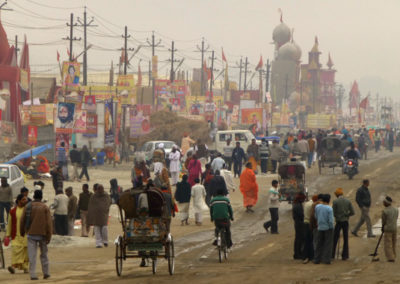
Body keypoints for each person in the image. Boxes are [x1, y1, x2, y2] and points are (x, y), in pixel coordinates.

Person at [20, 190, 52, 280]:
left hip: (31, 234)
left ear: (33, 196)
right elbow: (49, 223)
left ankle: (33, 275)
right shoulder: (45, 207)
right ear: (41, 197)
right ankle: (46, 273)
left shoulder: (28, 206)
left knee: (32, 255)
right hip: (43, 234)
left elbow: (22, 220)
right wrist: (49, 235)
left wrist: (22, 231)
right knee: (44, 254)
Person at [5, 194, 29, 274]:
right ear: (18, 201)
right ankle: (13, 266)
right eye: (24, 200)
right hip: (16, 235)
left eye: (26, 199)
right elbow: (9, 224)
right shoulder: (12, 211)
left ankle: (25, 267)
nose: (26, 201)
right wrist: (7, 236)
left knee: (26, 252)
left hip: (26, 236)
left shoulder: (28, 210)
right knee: (16, 250)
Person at [332, 188, 355, 260]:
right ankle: (345, 255)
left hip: (338, 222)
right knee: (345, 238)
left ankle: (332, 254)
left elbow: (333, 212)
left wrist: (337, 216)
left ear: (337, 195)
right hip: (345, 222)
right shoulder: (347, 201)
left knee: (335, 238)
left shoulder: (335, 201)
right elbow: (352, 212)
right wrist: (347, 215)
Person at [314, 194, 334, 265]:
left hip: (320, 227)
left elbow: (315, 216)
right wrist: (332, 227)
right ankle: (326, 260)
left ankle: (317, 259)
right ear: (328, 200)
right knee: (328, 244)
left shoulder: (317, 207)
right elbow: (331, 220)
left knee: (319, 244)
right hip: (328, 228)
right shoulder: (329, 209)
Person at [381, 196, 398, 262]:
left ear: (386, 203)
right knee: (394, 243)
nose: (383, 203)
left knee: (388, 244)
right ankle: (394, 255)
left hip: (388, 229)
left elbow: (384, 221)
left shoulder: (385, 211)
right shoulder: (396, 210)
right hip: (394, 228)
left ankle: (390, 258)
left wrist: (383, 228)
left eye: (384, 202)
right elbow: (395, 218)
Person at [303, 194, 317, 264]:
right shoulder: (313, 205)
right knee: (312, 240)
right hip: (310, 224)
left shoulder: (307, 203)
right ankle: (311, 256)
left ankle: (305, 256)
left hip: (305, 222)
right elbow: (314, 216)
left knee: (306, 240)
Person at [292, 193, 306, 260]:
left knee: (298, 238)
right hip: (299, 224)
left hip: (298, 223)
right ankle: (298, 254)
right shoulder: (297, 206)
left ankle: (297, 253)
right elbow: (301, 215)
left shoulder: (296, 204)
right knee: (299, 239)